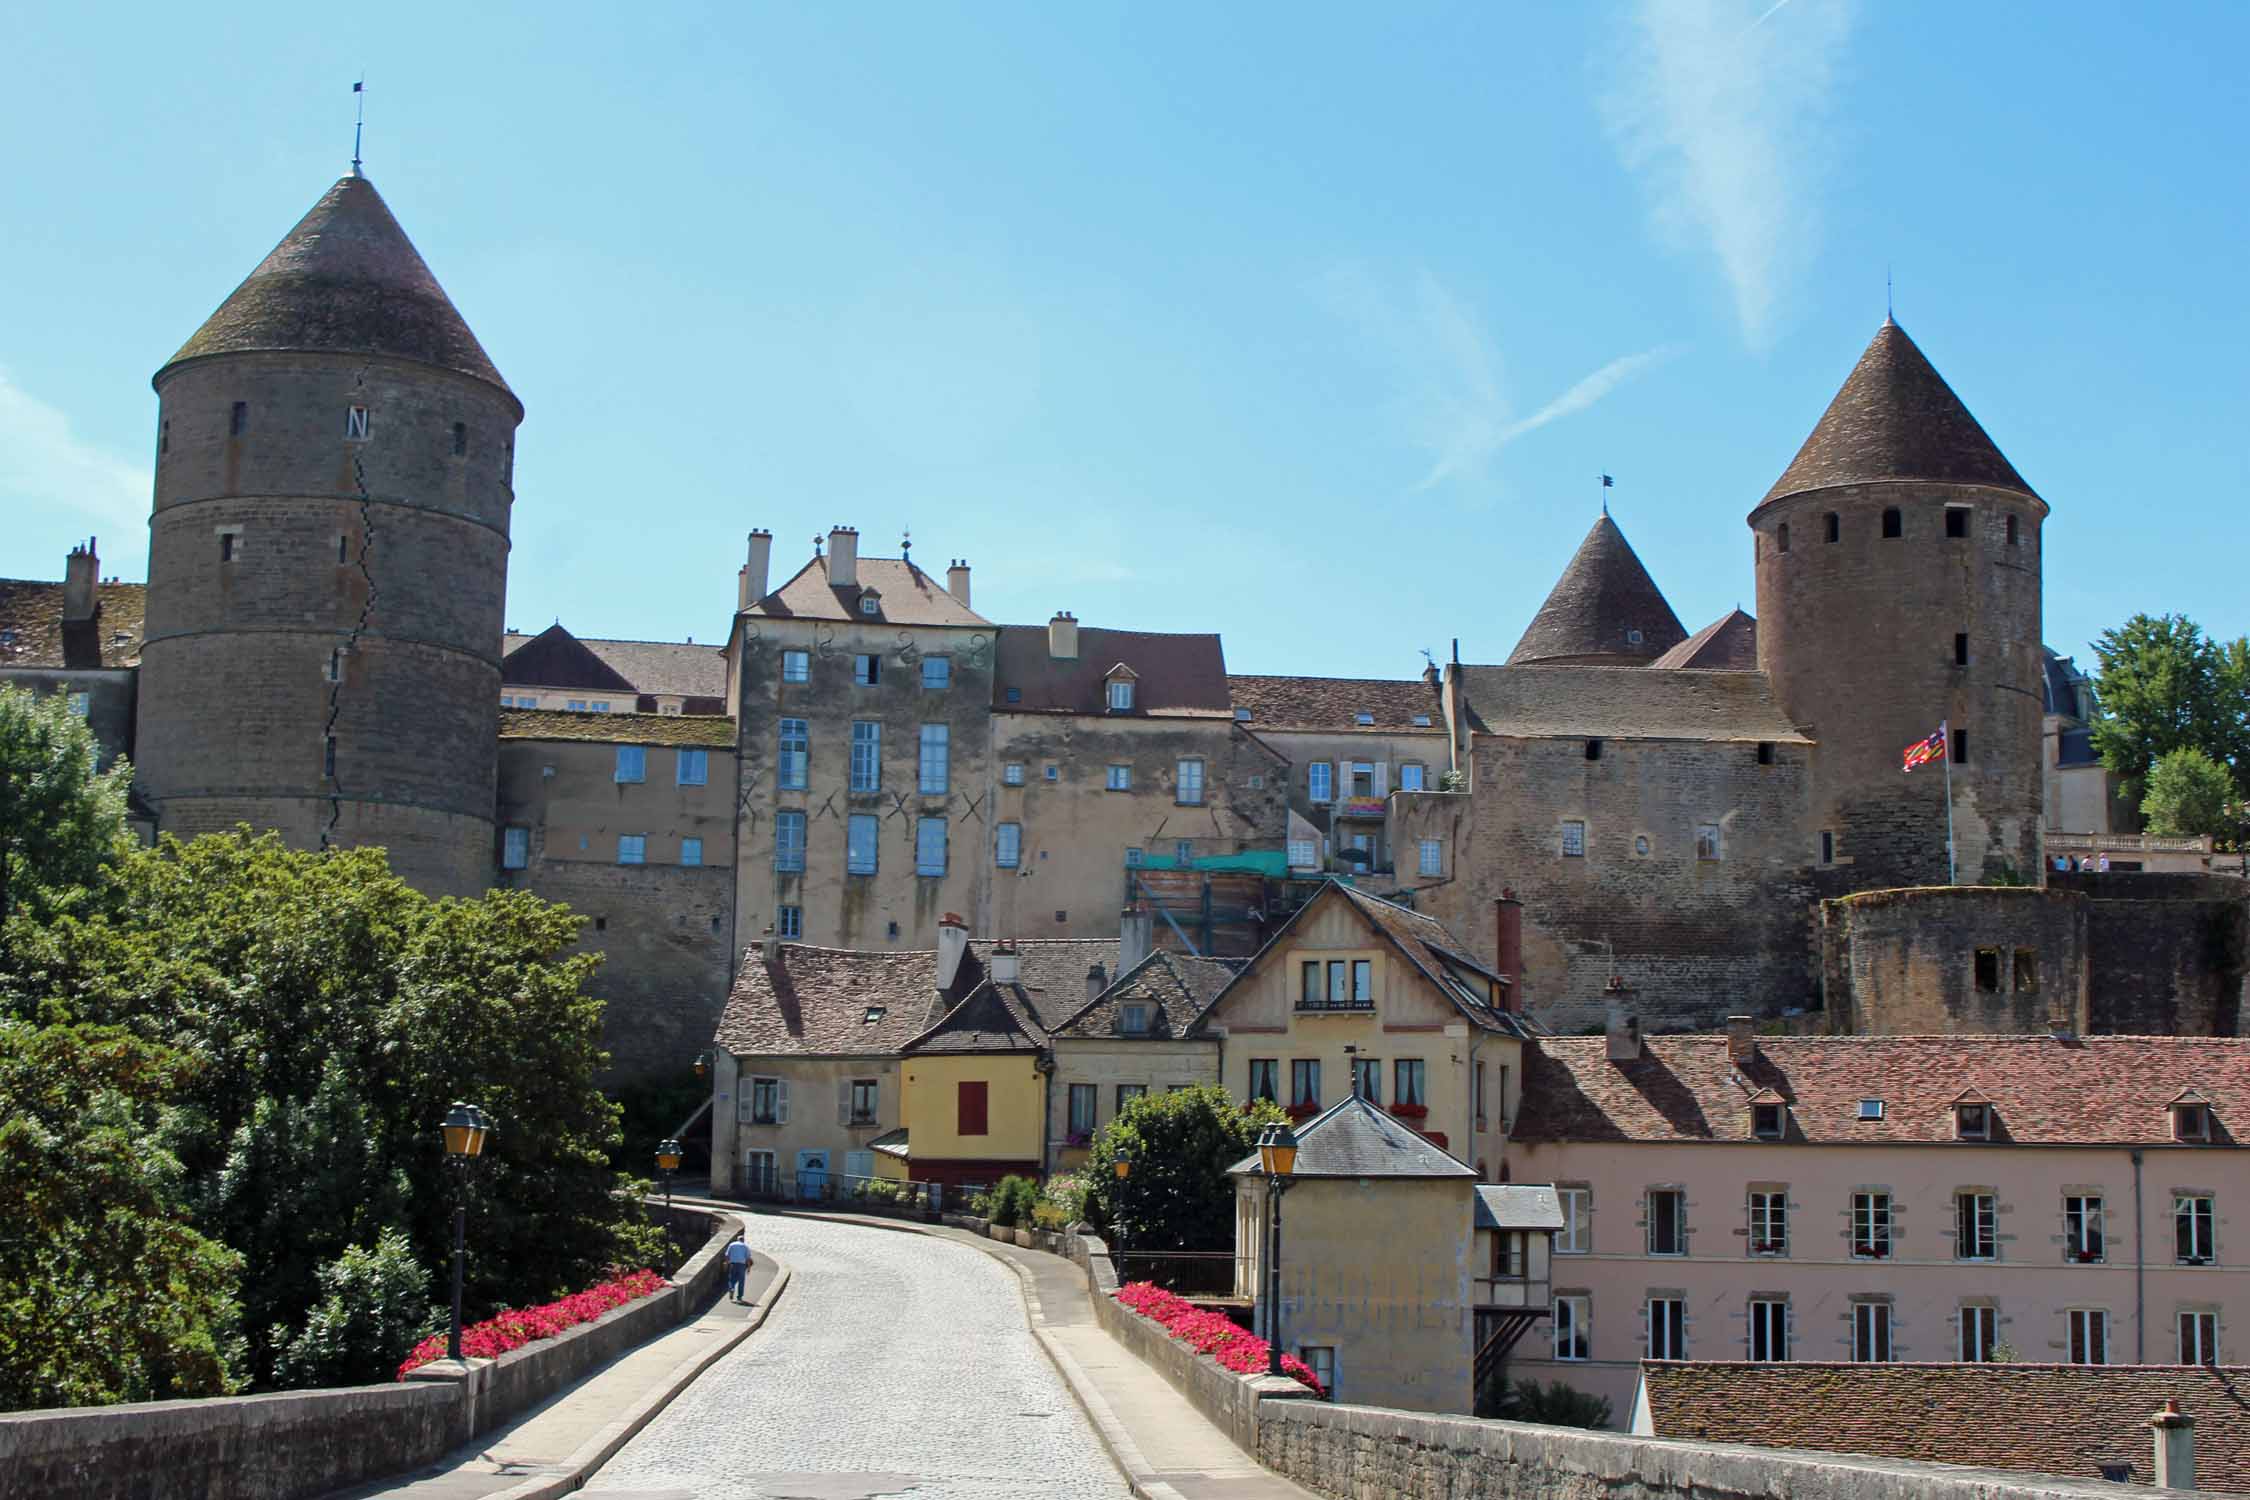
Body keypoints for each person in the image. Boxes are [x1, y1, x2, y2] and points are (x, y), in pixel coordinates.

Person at [724, 1234, 751, 1303]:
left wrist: (727, 1263)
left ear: (737, 1239)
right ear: (743, 1240)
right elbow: (748, 1258)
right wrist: (748, 1268)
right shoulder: (746, 1247)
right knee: (741, 1281)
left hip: (733, 1264)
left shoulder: (732, 1245)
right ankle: (739, 1297)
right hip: (742, 1265)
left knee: (732, 1279)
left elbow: (727, 1255)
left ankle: (732, 1288)